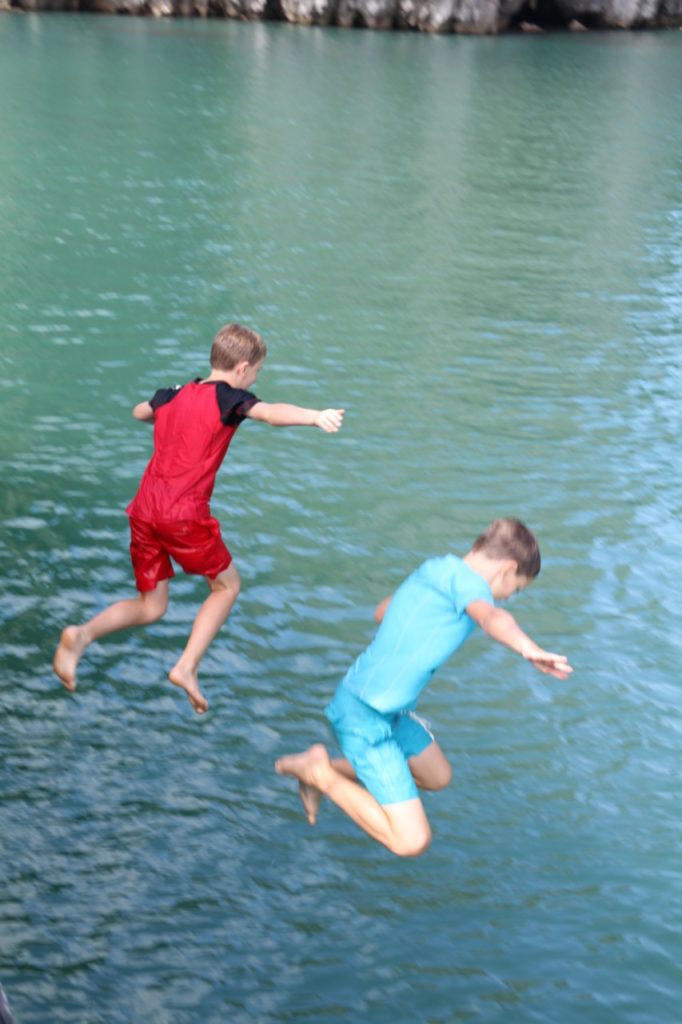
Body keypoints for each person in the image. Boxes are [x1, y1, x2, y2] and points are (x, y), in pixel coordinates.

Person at [54, 323, 344, 714]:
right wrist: (315, 416)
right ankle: (187, 667)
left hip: (144, 511)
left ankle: (81, 635)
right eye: (257, 372)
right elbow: (271, 413)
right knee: (226, 586)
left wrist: (160, 414)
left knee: (152, 606)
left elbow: (141, 411)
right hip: (182, 514)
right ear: (242, 368)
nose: (255, 380)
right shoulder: (231, 399)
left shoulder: (172, 394)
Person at [275, 518, 572, 857]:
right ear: (507, 568)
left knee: (436, 776)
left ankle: (322, 766)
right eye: (515, 589)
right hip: (364, 714)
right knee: (410, 841)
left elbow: (382, 612)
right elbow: (493, 619)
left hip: (388, 710)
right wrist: (528, 648)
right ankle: (317, 773)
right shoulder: (471, 588)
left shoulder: (436, 570)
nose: (507, 598)